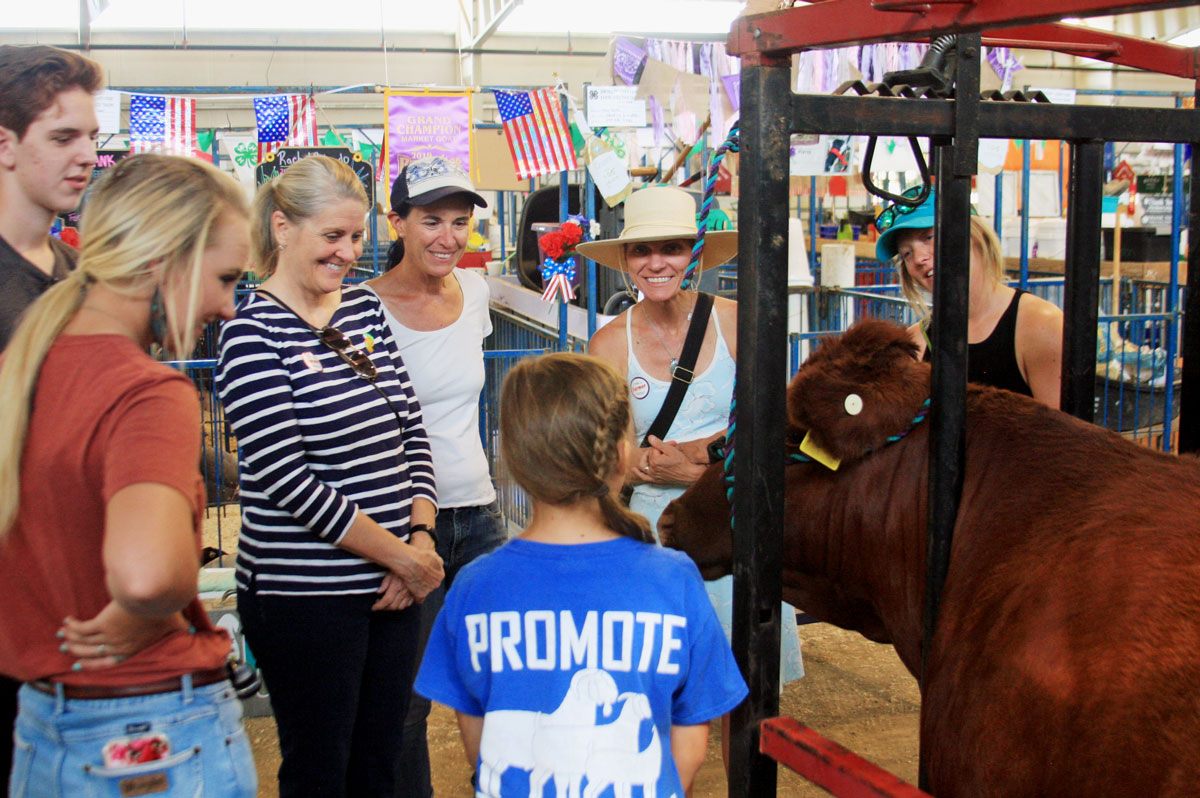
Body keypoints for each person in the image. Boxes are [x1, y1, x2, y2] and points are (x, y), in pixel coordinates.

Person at [0, 154, 256, 797]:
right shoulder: (145, 391)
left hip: (46, 717)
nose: (228, 308)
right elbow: (146, 574)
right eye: (224, 278)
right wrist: (149, 607)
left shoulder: (25, 367)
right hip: (151, 730)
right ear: (163, 258)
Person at [415, 352, 748, 798]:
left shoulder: (475, 586)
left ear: (513, 458)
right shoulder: (674, 579)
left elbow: (481, 745)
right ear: (622, 454)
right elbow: (689, 737)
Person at [216, 154, 444, 798]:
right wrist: (401, 555)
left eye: (356, 235)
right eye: (333, 236)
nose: (349, 252)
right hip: (304, 595)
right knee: (320, 766)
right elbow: (288, 480)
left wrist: (420, 539)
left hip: (394, 585)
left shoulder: (365, 315)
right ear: (283, 228)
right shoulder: (251, 331)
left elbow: (410, 431)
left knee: (380, 758)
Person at [581, 186, 805, 756]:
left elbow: (775, 414)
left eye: (672, 248)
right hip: (652, 538)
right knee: (649, 701)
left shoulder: (736, 322)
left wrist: (701, 459)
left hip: (734, 526)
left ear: (695, 255)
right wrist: (651, 462)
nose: (656, 263)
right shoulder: (608, 343)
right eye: (642, 251)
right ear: (627, 261)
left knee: (743, 701)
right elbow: (606, 449)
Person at [366, 156, 507, 798]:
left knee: (498, 684)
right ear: (396, 223)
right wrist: (398, 542)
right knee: (406, 701)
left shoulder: (474, 293)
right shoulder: (360, 310)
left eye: (459, 221)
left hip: (479, 515)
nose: (448, 237)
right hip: (400, 524)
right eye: (430, 221)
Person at [0, 48, 101, 790]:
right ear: (4, 145)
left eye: (91, 137)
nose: (88, 156)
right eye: (63, 138)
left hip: (70, 608)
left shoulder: (78, 276)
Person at [875, 190, 1064, 407]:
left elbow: (1064, 435)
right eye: (907, 253)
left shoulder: (1040, 327)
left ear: (975, 235)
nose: (918, 258)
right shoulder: (916, 343)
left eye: (929, 237)